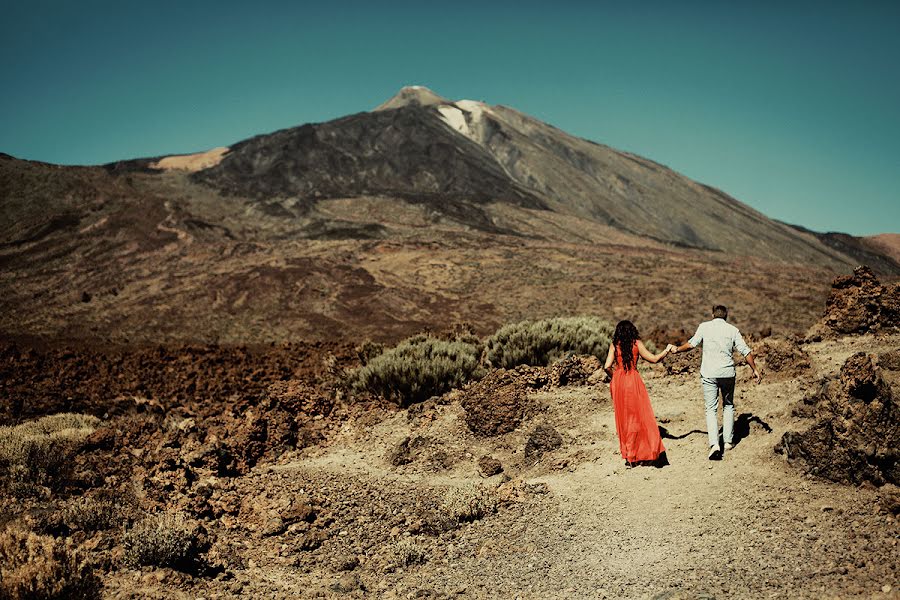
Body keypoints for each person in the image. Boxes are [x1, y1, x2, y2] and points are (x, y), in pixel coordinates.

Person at [672, 305, 761, 460]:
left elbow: (692, 344)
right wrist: (755, 369)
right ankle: (727, 441)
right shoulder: (733, 330)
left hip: (709, 373)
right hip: (727, 373)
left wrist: (677, 350)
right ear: (726, 316)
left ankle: (714, 444)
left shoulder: (704, 327)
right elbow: (746, 351)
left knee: (711, 409)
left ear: (712, 314)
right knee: (728, 405)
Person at [604, 320, 674, 467]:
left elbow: (606, 366)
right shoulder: (637, 344)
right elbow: (654, 359)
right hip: (633, 381)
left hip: (619, 382)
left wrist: (615, 377)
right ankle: (641, 452)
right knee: (638, 416)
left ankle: (629, 456)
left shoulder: (614, 345)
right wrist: (666, 350)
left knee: (623, 419)